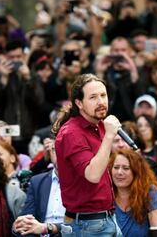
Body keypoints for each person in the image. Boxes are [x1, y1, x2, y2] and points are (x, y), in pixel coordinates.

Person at [53, 74, 122, 236]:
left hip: (108, 217)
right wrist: (109, 137)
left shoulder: (99, 126)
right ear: (79, 103)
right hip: (87, 224)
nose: (101, 102)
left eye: (103, 96)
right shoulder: (72, 133)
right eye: (93, 97)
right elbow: (92, 175)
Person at [13, 138, 64, 236]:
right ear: (49, 153)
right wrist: (20, 225)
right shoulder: (37, 181)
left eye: (64, 148)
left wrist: (47, 228)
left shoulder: (84, 181)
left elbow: (84, 225)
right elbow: (27, 218)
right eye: (54, 149)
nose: (59, 154)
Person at [109, 149, 157, 237]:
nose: (119, 172)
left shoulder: (150, 192)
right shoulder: (106, 192)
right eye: (116, 167)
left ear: (137, 172)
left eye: (126, 168)